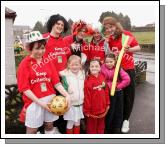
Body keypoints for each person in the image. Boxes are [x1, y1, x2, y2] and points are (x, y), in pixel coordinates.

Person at [17, 31, 70, 134]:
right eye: (37, 48)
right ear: (30, 48)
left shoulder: (48, 61)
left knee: (49, 126)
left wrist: (66, 95)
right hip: (34, 102)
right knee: (32, 130)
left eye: (42, 48)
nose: (40, 51)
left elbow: (56, 82)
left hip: (50, 100)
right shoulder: (24, 64)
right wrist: (40, 103)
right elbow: (25, 89)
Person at [102, 17, 141, 133]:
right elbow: (108, 53)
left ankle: (126, 120)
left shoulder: (126, 35)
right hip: (116, 71)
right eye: (107, 28)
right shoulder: (110, 39)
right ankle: (116, 121)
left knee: (128, 97)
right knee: (118, 97)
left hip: (128, 70)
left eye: (111, 26)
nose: (109, 29)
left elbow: (138, 47)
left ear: (116, 25)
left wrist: (128, 50)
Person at [101, 53, 130, 133]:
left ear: (115, 61)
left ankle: (117, 127)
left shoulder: (118, 68)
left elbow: (127, 79)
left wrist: (118, 86)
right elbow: (101, 80)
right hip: (107, 93)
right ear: (104, 62)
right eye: (107, 62)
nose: (109, 63)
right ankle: (107, 128)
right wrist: (106, 86)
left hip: (117, 93)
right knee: (109, 111)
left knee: (118, 110)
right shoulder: (102, 68)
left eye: (111, 61)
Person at [59, 55, 85, 134]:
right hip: (71, 104)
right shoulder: (66, 76)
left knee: (77, 122)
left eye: (77, 64)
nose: (74, 67)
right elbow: (63, 90)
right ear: (68, 65)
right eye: (72, 65)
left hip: (80, 103)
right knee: (70, 122)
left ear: (80, 65)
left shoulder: (82, 74)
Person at [83, 59, 110, 134]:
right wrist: (87, 111)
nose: (94, 68)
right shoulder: (88, 81)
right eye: (92, 66)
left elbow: (106, 91)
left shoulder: (102, 77)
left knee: (101, 127)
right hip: (92, 111)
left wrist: (107, 103)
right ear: (89, 68)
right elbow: (87, 97)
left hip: (102, 108)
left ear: (100, 68)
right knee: (91, 128)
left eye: (96, 66)